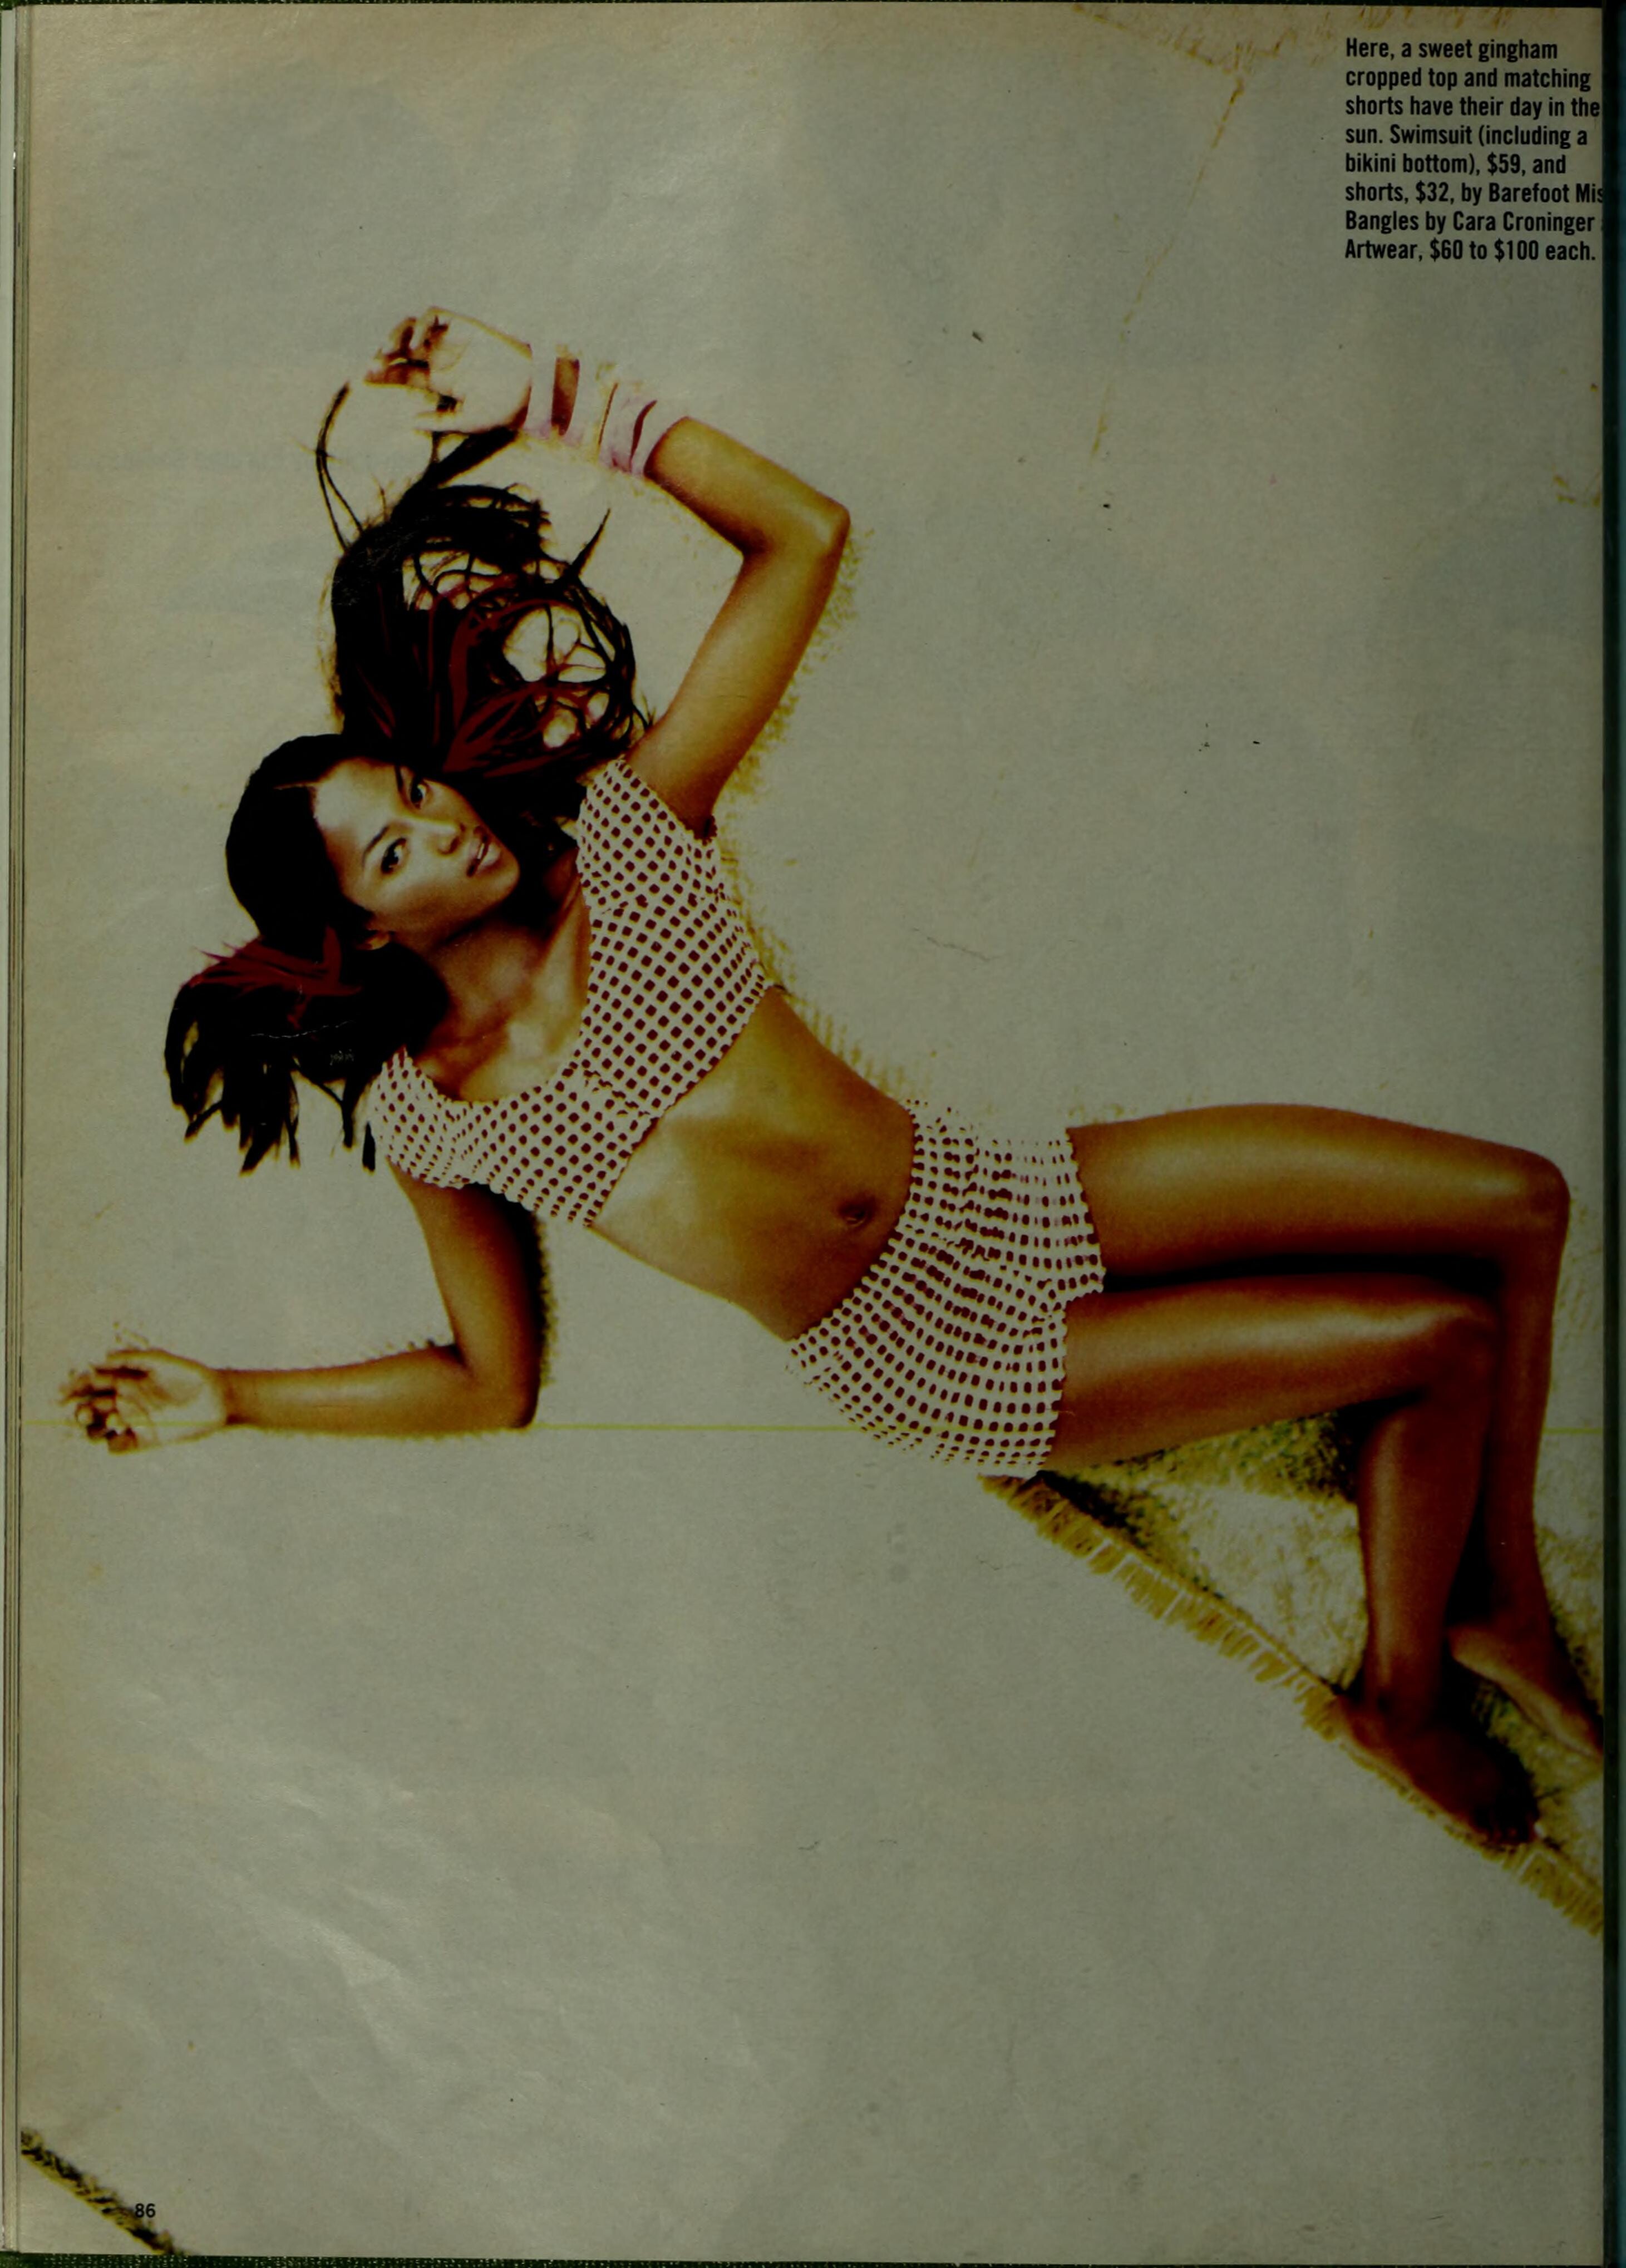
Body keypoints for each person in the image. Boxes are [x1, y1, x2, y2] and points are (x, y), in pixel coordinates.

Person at [66, 311, 1600, 1847]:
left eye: (419, 792)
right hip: (929, 1349)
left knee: (1519, 1199)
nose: (450, 829)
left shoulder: (627, 838)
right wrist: (236, 1399)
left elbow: (802, 536)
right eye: (395, 851)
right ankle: (1400, 1695)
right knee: (1439, 1340)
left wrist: (547, 394)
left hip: (1003, 1192)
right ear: (356, 927)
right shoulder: (431, 1112)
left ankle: (1497, 1597)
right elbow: (491, 1381)